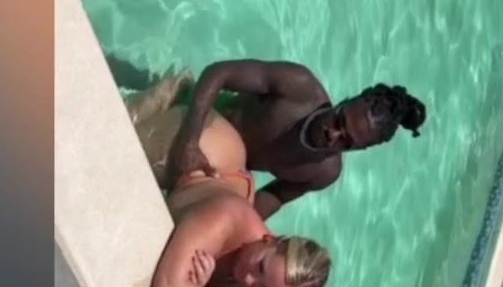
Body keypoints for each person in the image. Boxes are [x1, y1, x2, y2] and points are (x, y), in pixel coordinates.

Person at [147, 92, 331, 287]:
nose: (248, 280)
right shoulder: (228, 217)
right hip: (207, 154)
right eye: (260, 267)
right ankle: (170, 92)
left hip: (225, 187)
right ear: (270, 239)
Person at [127, 59, 427, 220]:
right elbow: (219, 73)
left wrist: (240, 233)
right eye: (339, 121)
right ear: (347, 100)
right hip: (186, 114)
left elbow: (273, 198)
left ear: (359, 150)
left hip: (212, 168)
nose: (333, 136)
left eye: (346, 143)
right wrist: (190, 140)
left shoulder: (323, 172)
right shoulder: (299, 88)